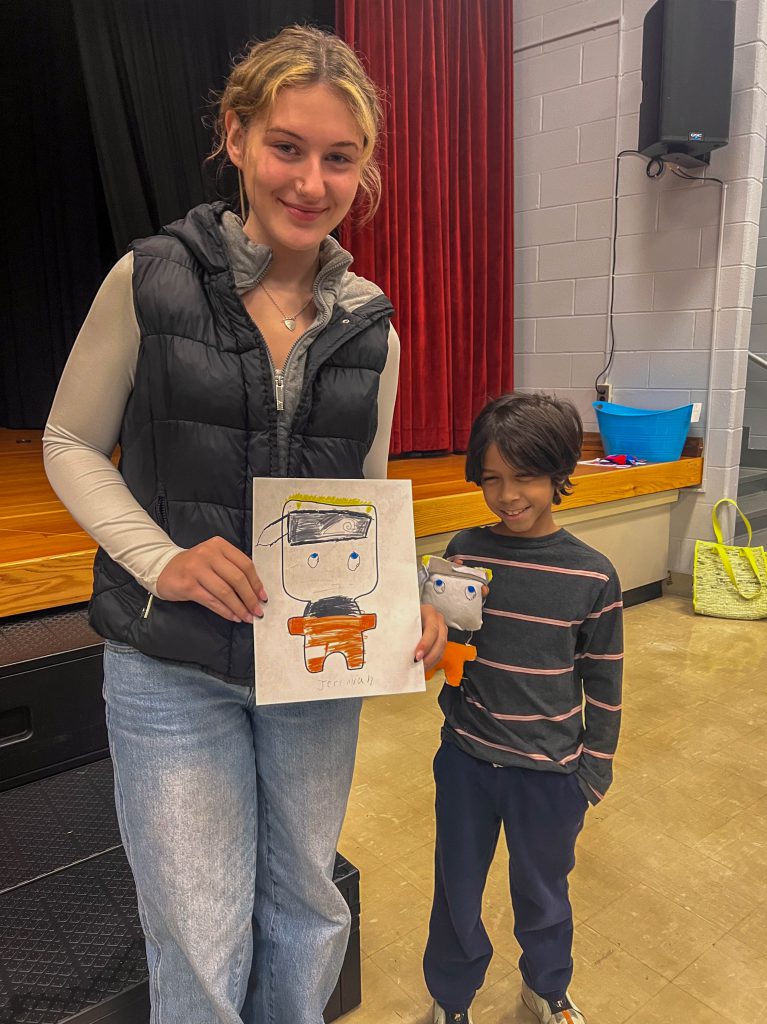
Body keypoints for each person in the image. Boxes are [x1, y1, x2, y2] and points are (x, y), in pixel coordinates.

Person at [43, 25, 446, 1024]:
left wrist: (405, 600)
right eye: (287, 146)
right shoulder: (150, 280)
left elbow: (364, 494)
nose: (311, 180)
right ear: (233, 136)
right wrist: (162, 561)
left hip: (315, 664)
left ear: (365, 168)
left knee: (308, 908)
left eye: (339, 157)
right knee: (198, 927)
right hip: (170, 665)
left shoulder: (374, 327)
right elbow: (69, 441)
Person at [423, 393, 624, 1024]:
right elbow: (450, 644)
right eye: (492, 480)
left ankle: (547, 988)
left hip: (552, 774)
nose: (509, 495)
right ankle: (451, 1001)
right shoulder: (464, 549)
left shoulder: (593, 576)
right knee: (456, 892)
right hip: (467, 763)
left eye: (526, 477)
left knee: (543, 895)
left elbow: (605, 681)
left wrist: (592, 771)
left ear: (560, 471)